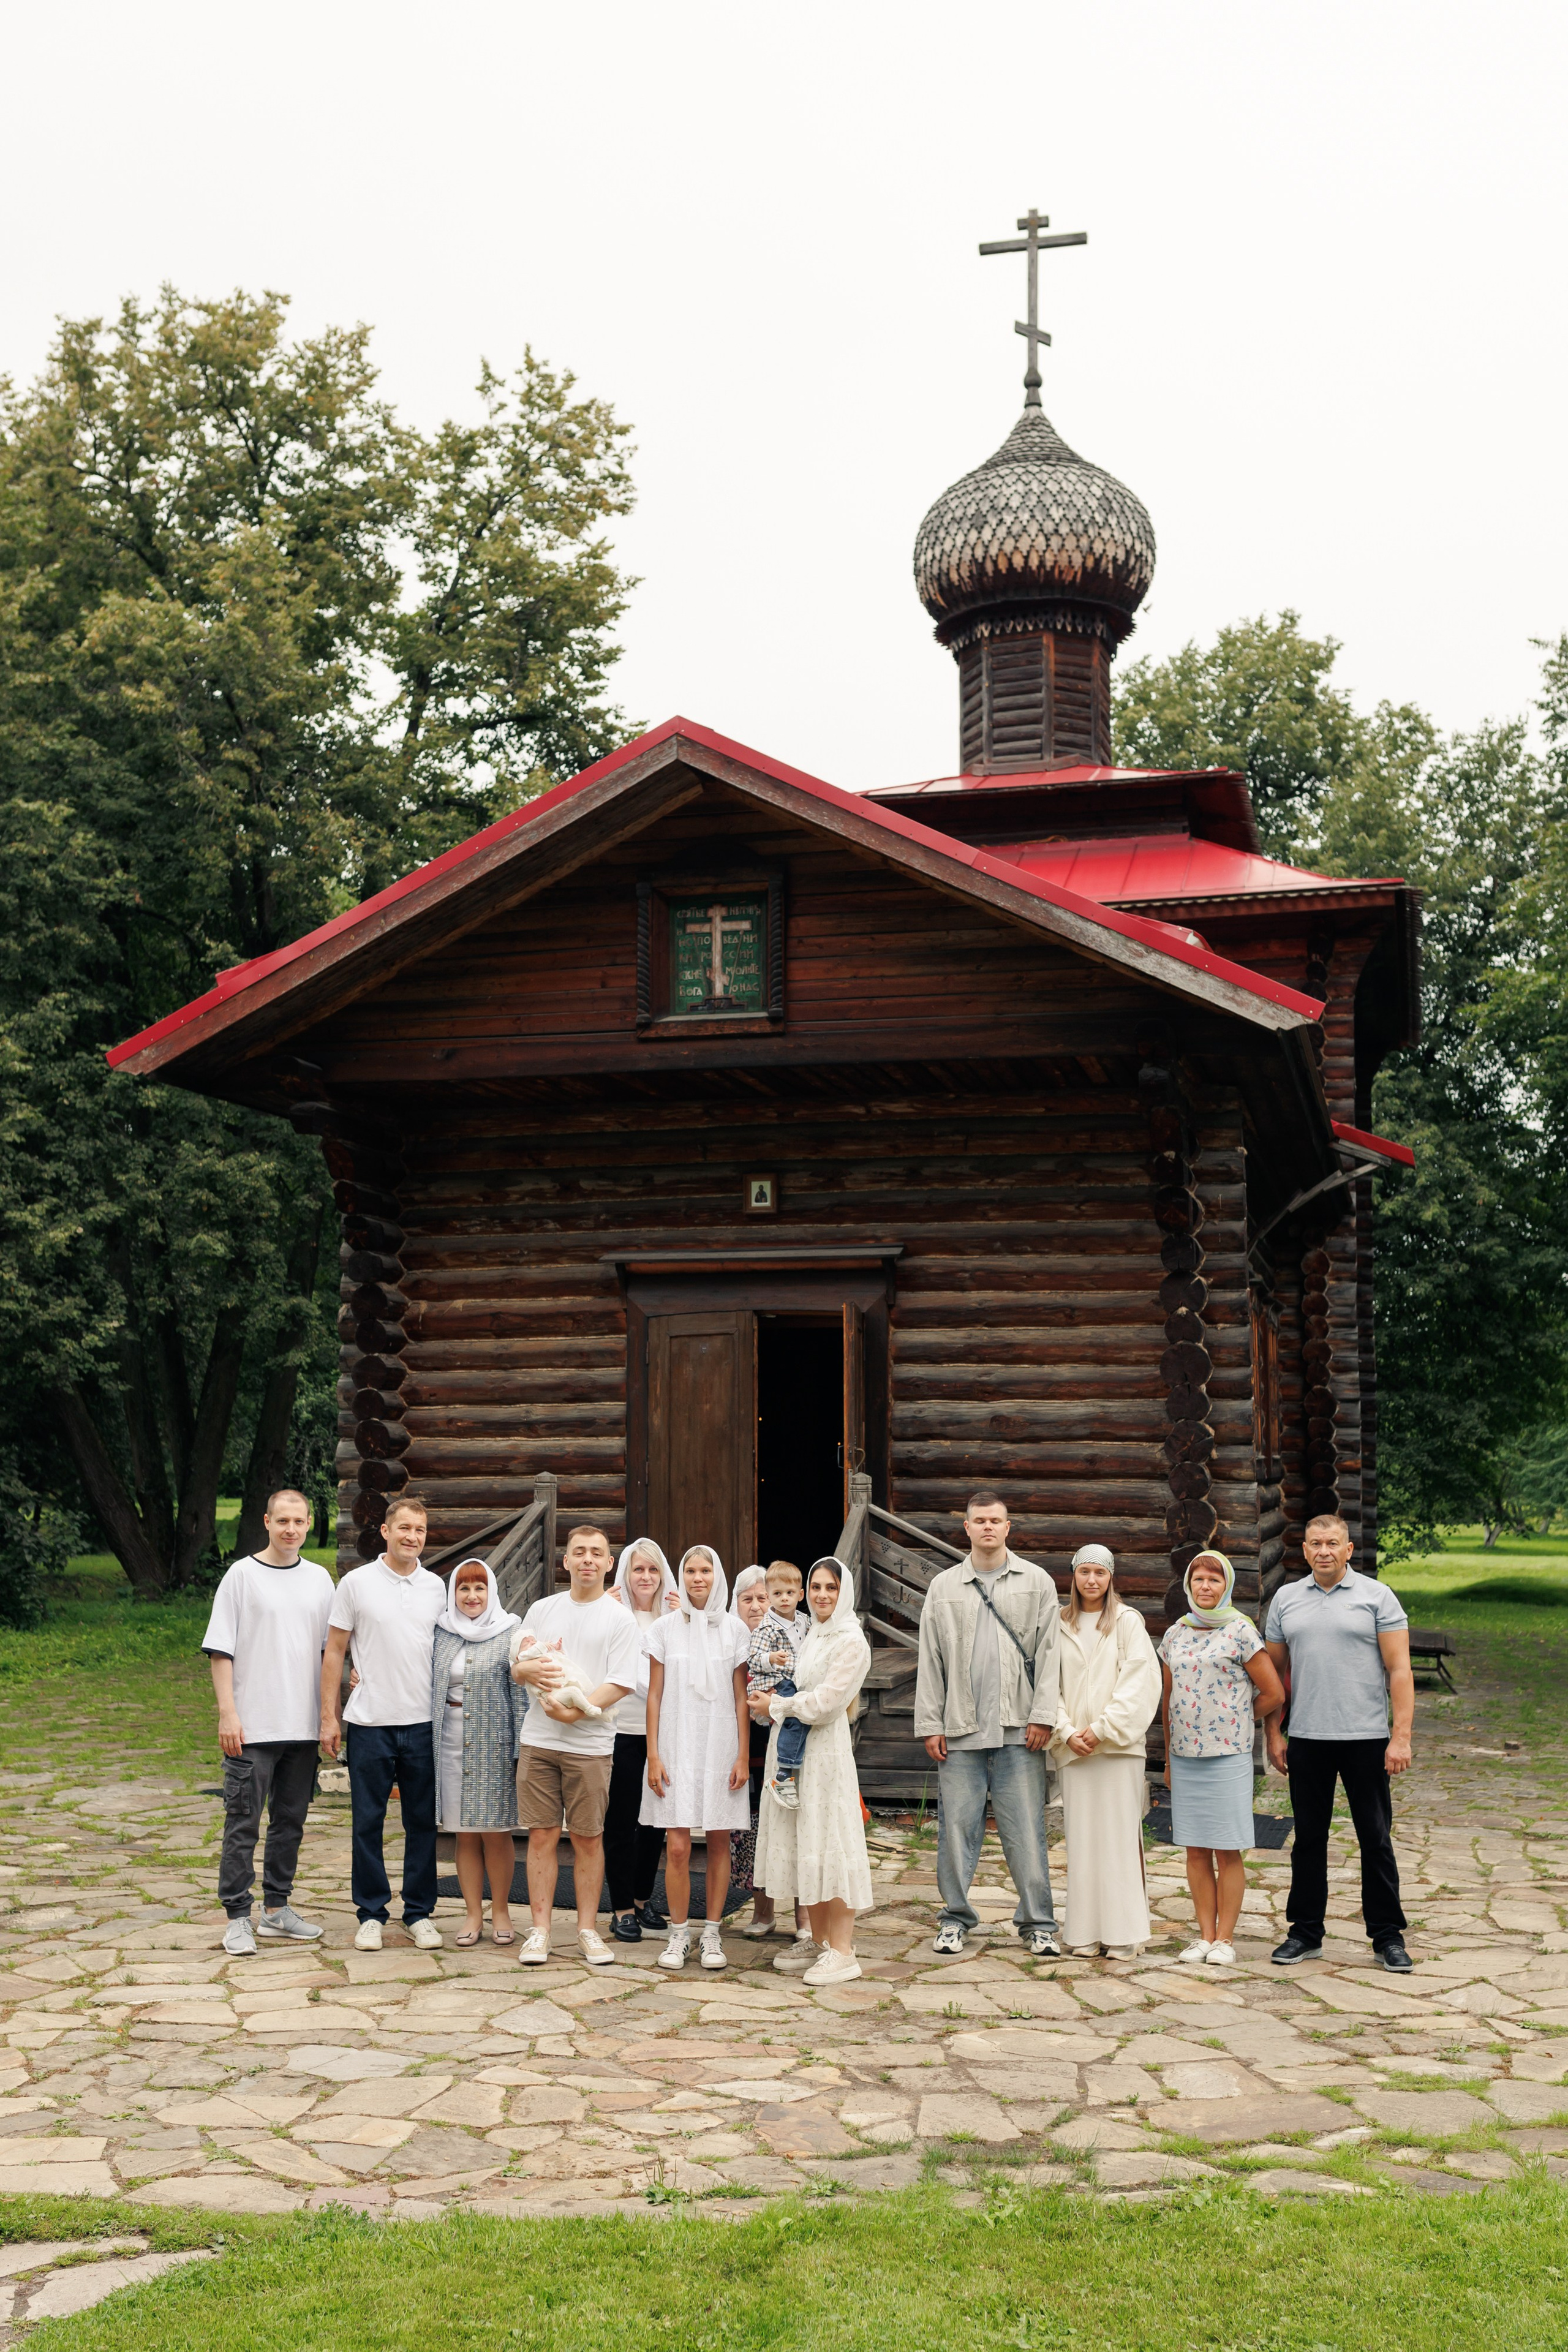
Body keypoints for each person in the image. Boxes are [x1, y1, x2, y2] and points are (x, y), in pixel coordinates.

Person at [1262, 1512, 1416, 1972]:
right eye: (1315, 1543)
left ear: (1349, 1550)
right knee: (1308, 1839)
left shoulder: (1377, 1597)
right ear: (1304, 1550)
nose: (1324, 1551)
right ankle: (1305, 1933)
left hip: (1366, 1738)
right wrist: (1274, 1732)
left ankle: (1387, 1936)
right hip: (1307, 1738)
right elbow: (1273, 1677)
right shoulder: (1286, 1600)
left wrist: (1401, 1737)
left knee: (1375, 1838)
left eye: (1333, 1543)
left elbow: (1400, 1671)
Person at [913, 1490, 1061, 1958]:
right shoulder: (944, 1587)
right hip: (959, 1730)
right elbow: (930, 1660)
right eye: (980, 1521)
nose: (988, 1528)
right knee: (955, 1830)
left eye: (996, 1520)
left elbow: (1051, 1654)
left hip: (1020, 1729)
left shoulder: (1036, 1582)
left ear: (1008, 1527)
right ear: (967, 1528)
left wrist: (1042, 1716)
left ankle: (1037, 1923)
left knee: (1026, 1831)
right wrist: (930, 1723)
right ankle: (955, 1919)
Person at [203, 1487, 336, 1956]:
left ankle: (277, 1910)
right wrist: (228, 1713)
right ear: (266, 1521)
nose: (291, 1530)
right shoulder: (242, 1577)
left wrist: (328, 1716)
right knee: (243, 1823)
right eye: (283, 1521)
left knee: (290, 1823)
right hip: (252, 1726)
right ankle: (238, 1917)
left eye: (299, 1522)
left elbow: (330, 1653)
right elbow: (221, 1651)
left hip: (301, 1728)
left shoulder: (321, 1580)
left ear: (308, 1523)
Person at [510, 1523, 642, 1969]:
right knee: (542, 1836)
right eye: (579, 1552)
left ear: (609, 1564)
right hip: (539, 1741)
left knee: (588, 1838)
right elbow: (518, 1665)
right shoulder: (542, 1609)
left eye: (597, 1553)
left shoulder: (619, 1619)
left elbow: (621, 1682)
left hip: (590, 1745)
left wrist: (578, 1711)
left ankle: (588, 1929)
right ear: (566, 1561)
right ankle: (541, 1931)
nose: (588, 1559)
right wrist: (523, 1674)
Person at [320, 1494, 447, 1953]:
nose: (413, 1537)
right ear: (386, 1532)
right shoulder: (356, 1584)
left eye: (421, 1531)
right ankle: (371, 1913)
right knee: (367, 1822)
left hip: (423, 1723)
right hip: (370, 1721)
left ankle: (419, 1913)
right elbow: (335, 1650)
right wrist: (328, 1716)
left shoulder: (437, 1588)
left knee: (421, 1824)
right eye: (406, 1528)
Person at [1158, 1550, 1285, 1966]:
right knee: (1195, 1849)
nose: (1206, 1587)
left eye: (1214, 1580)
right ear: (1189, 1586)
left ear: (1226, 1585)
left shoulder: (1241, 1631)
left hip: (1227, 1756)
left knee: (1227, 1849)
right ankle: (1204, 1936)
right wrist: (1168, 1759)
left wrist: (1238, 1716)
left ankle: (1226, 1939)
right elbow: (1168, 1697)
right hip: (1186, 1755)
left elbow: (1274, 1692)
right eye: (1199, 1580)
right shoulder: (1175, 1634)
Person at [752, 1556, 874, 1986]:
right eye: (817, 1587)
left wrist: (777, 1707)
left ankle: (843, 1950)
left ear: (845, 1593)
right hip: (797, 1754)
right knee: (810, 1840)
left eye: (831, 1588)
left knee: (832, 1841)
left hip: (825, 1756)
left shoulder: (851, 1641)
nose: (822, 1595)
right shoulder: (815, 1633)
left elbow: (825, 1703)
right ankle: (820, 1941)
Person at [643, 1546, 752, 1971]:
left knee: (720, 1840)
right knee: (677, 1845)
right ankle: (678, 1934)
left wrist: (742, 1754)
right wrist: (653, 1753)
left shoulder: (736, 1631)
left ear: (717, 1575)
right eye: (690, 1570)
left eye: (705, 1570)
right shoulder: (665, 1629)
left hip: (721, 1741)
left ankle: (711, 1933)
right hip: (676, 1741)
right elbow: (654, 1694)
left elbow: (742, 1697)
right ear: (682, 1576)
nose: (697, 1578)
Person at [1051, 1542, 1161, 1959]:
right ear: (1074, 1576)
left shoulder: (1128, 1623)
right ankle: (1083, 1932)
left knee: (1117, 1840)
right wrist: (1065, 1730)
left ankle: (1123, 1933)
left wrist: (1101, 1730)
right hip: (1074, 1752)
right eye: (1084, 1573)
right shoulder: (1059, 1623)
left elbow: (1140, 1682)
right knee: (1082, 1842)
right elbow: (1048, 1684)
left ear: (1111, 1577)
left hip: (1116, 1750)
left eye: (1100, 1573)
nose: (1092, 1580)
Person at [431, 1558, 523, 1947]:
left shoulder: (511, 1632)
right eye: (464, 1589)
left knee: (496, 1832)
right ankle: (472, 1914)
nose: (472, 1596)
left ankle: (500, 1909)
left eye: (479, 1588)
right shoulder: (440, 1633)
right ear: (454, 1594)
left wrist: (522, 1750)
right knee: (464, 1834)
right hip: (449, 1740)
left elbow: (521, 1697)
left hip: (495, 1744)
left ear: (492, 1592)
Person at [603, 1539, 677, 1943]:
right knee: (621, 1823)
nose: (646, 1577)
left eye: (652, 1570)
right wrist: (604, 1612)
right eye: (638, 1570)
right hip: (621, 1732)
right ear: (626, 1575)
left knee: (654, 1825)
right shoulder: (613, 1614)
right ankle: (621, 1909)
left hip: (665, 1734)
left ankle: (644, 1901)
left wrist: (689, 1622)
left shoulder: (673, 1618)